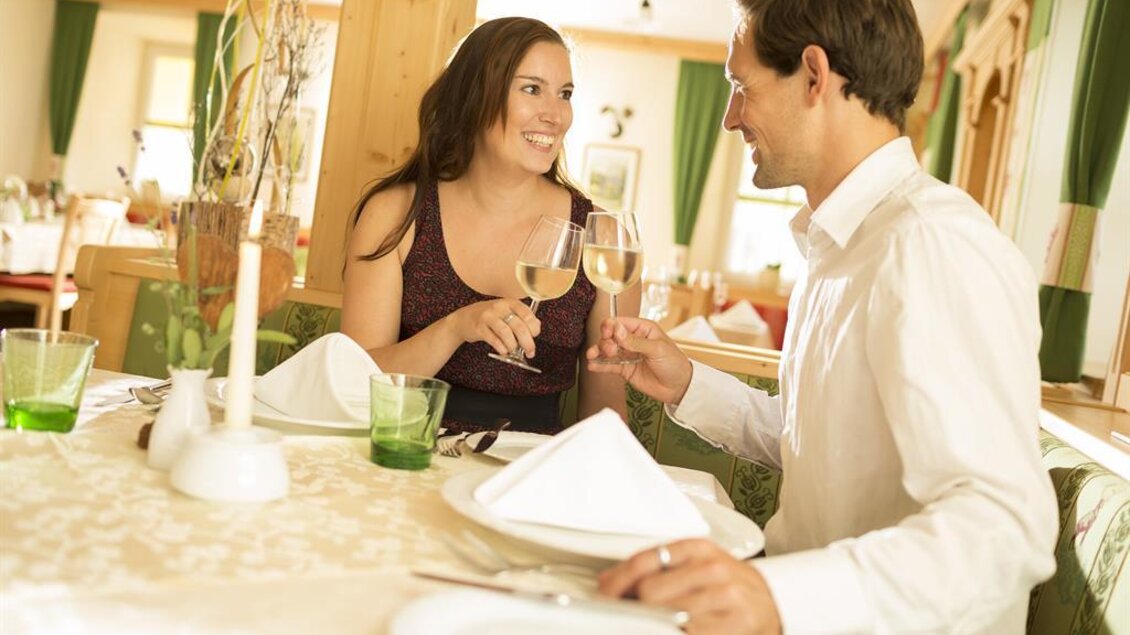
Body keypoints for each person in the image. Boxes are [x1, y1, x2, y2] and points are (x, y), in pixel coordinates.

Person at [589, 1, 1058, 633]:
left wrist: (778, 598)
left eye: (739, 87)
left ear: (814, 75)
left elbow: (1003, 529)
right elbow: (815, 441)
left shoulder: (930, 244)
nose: (730, 119)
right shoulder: (837, 244)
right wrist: (688, 382)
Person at [342, 17, 638, 434]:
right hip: (404, 457)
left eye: (565, 94)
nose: (556, 115)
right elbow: (352, 382)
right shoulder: (396, 215)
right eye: (532, 89)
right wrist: (454, 328)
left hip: (529, 483)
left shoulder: (603, 240)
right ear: (476, 96)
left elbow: (604, 414)